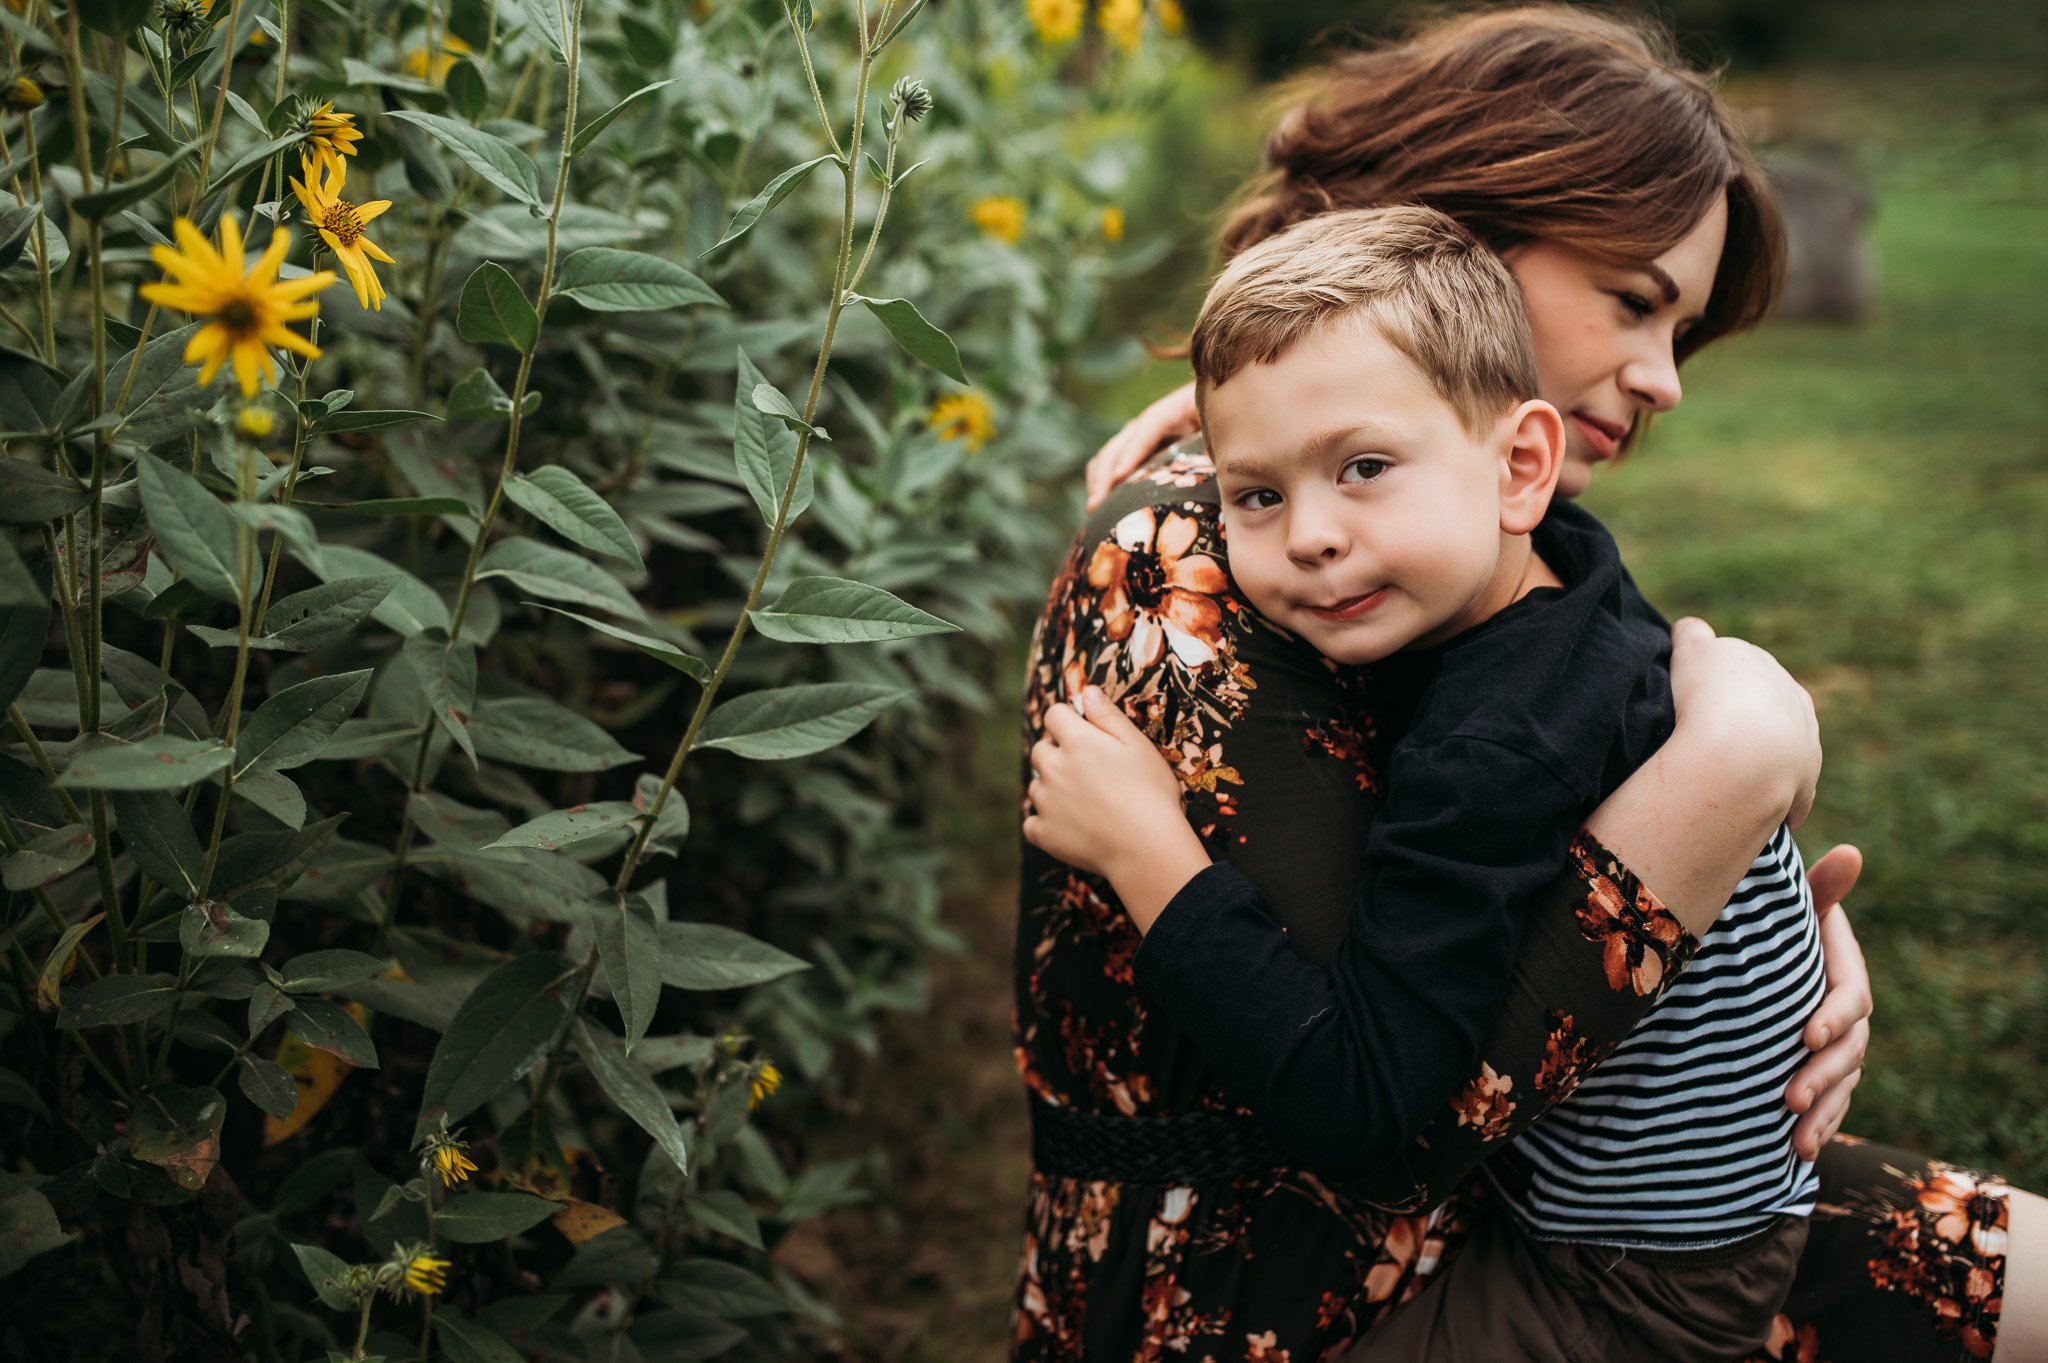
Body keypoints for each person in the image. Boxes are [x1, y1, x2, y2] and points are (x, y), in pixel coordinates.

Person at [1009, 8, 2041, 1362]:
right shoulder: (1194, 553)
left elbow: (1578, 778)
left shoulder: (1473, 533)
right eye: (1636, 301)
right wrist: (1729, 777)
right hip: (1285, 1290)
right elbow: (1410, 1109)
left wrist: (1764, 920)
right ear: (1471, 229)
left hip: (1580, 1214)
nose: (1667, 381)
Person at [1024, 203, 1826, 1361]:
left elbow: (1362, 1106)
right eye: (1254, 493)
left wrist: (1148, 851)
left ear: (1521, 466)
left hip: (1625, 1276)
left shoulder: (1491, 749)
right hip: (1699, 1206)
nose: (1308, 534)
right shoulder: (1566, 583)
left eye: (1362, 469)